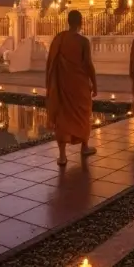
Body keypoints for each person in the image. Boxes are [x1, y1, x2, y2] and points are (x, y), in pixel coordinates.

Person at [46, 10, 98, 165]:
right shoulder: (83, 42)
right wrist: (94, 84)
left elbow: (51, 64)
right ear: (80, 22)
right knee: (82, 114)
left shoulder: (59, 39)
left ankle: (62, 156)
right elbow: (88, 65)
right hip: (79, 86)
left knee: (62, 117)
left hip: (63, 85)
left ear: (68, 21)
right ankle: (84, 146)